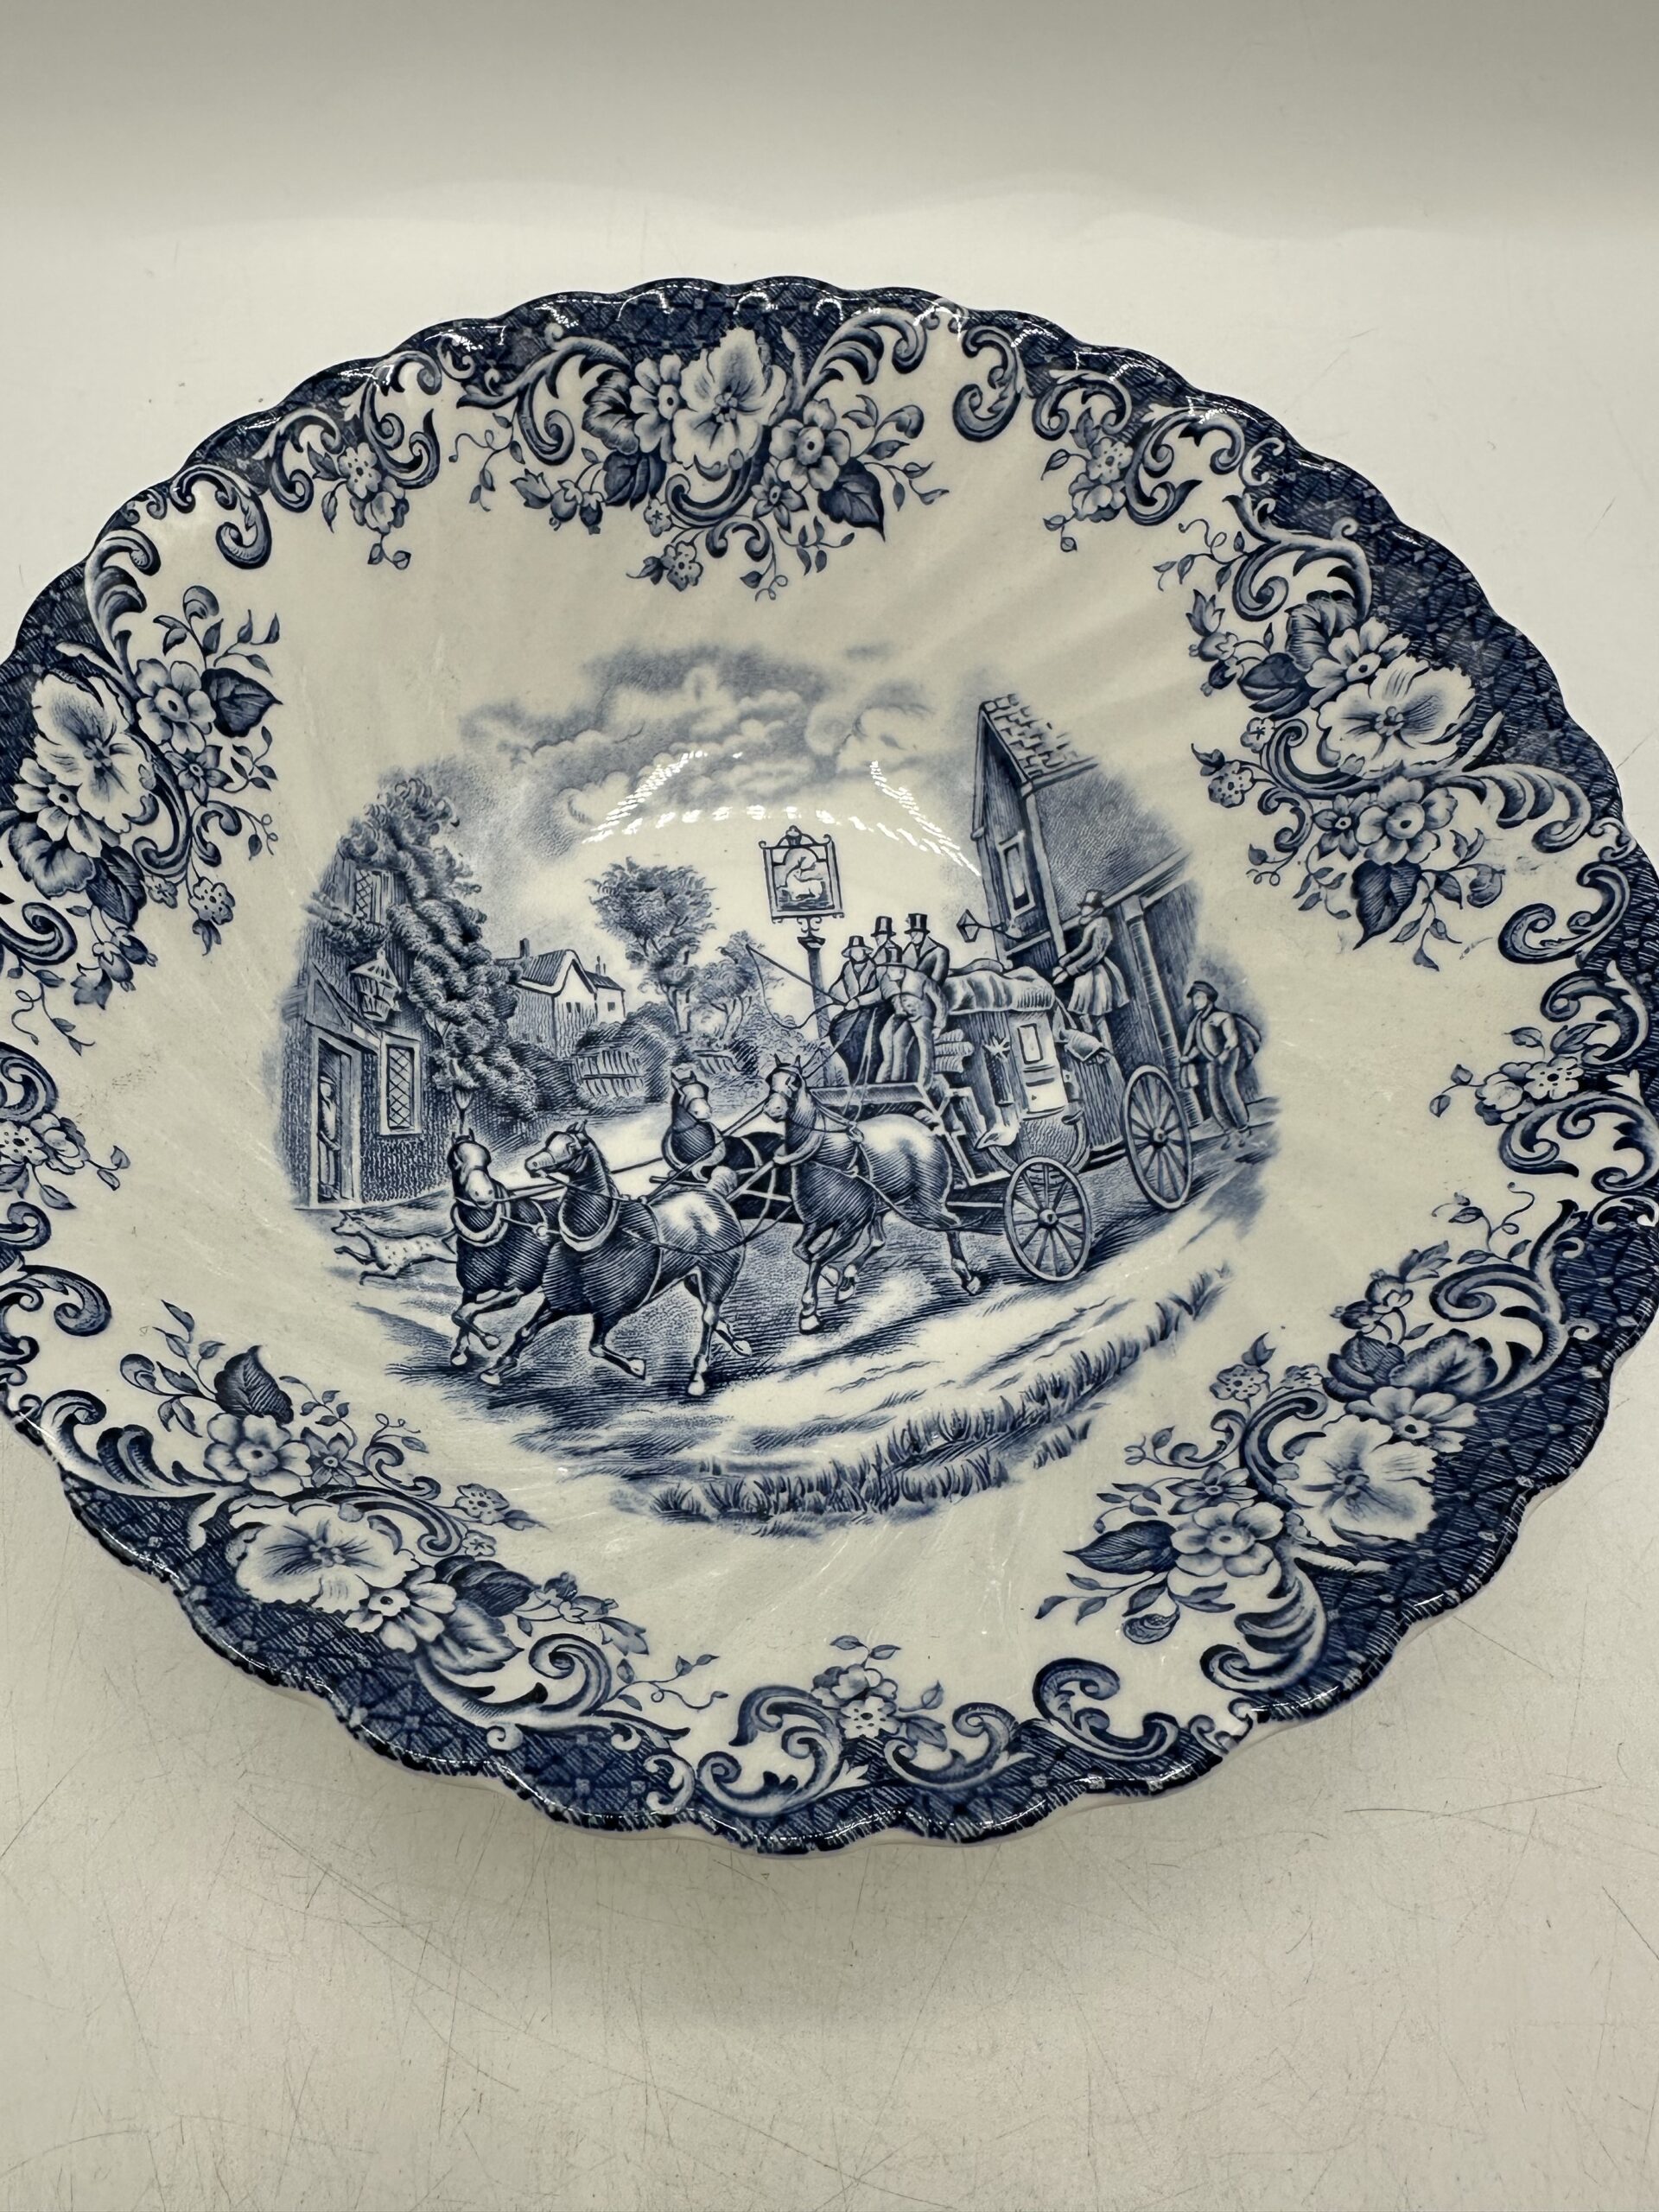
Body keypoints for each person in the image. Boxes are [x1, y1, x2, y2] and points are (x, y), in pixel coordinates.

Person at [1179, 980, 1262, 1133]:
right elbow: (1198, 1046)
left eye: (1199, 997)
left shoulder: (1219, 1016)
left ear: (1208, 998)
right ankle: (1229, 1131)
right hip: (1213, 1060)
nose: (1195, 1002)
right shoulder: (1197, 1023)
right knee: (1214, 1096)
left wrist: (1225, 1053)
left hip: (1228, 1055)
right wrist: (1188, 1057)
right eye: (1194, 999)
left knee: (1227, 1088)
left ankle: (1243, 1127)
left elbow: (1232, 1038)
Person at [1051, 890, 1129, 1048]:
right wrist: (1065, 961)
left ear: (1094, 908)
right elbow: (1083, 947)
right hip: (1087, 974)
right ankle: (1093, 1043)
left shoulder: (1102, 923)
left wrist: (1068, 971)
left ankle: (1106, 1048)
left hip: (1098, 973)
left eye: (1086, 906)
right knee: (1085, 1013)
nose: (1083, 909)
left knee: (1098, 1015)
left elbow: (1096, 953)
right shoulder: (1091, 924)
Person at [828, 933, 886, 1084]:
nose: (855, 953)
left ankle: (868, 1077)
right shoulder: (847, 967)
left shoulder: (875, 966)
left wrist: (860, 1001)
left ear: (864, 951)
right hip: (852, 1010)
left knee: (863, 1036)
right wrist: (842, 998)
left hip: (872, 1009)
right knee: (837, 1030)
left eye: (858, 950)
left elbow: (881, 991)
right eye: (852, 951)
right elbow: (837, 987)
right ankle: (854, 1073)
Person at [902, 912, 951, 984]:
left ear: (924, 933)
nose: (912, 937)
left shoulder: (940, 952)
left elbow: (936, 982)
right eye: (911, 933)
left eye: (916, 933)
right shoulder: (908, 949)